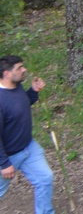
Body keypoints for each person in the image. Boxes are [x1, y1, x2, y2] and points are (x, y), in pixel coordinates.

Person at [0, 55, 54, 214]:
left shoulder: (15, 87)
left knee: (44, 179)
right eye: (19, 68)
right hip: (8, 156)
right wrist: (4, 164)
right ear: (7, 74)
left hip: (28, 148)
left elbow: (19, 107)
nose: (24, 70)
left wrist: (33, 92)